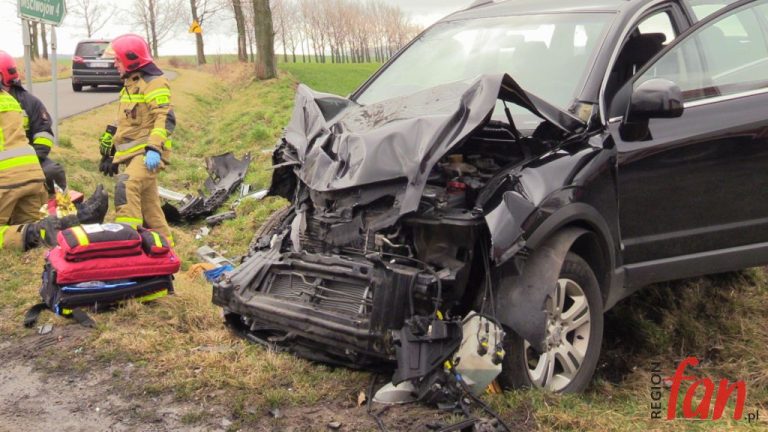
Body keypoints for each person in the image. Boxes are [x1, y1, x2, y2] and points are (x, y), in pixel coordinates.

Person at [0, 86, 107, 251]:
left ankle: (37, 232)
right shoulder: (8, 98)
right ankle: (80, 216)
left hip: (4, 179)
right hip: (32, 172)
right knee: (29, 227)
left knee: (33, 231)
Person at [99, 34, 175, 245]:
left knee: (126, 184)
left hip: (148, 153)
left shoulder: (154, 83)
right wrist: (110, 148)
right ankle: (166, 249)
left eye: (117, 60)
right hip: (133, 153)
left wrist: (154, 148)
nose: (115, 64)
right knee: (150, 207)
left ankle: (127, 243)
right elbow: (127, 121)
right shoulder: (130, 84)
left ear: (131, 60)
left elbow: (165, 117)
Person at [0, 50, 67, 196]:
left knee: (52, 171)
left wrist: (30, 161)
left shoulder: (30, 102)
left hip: (30, 160)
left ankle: (61, 209)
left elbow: (44, 135)